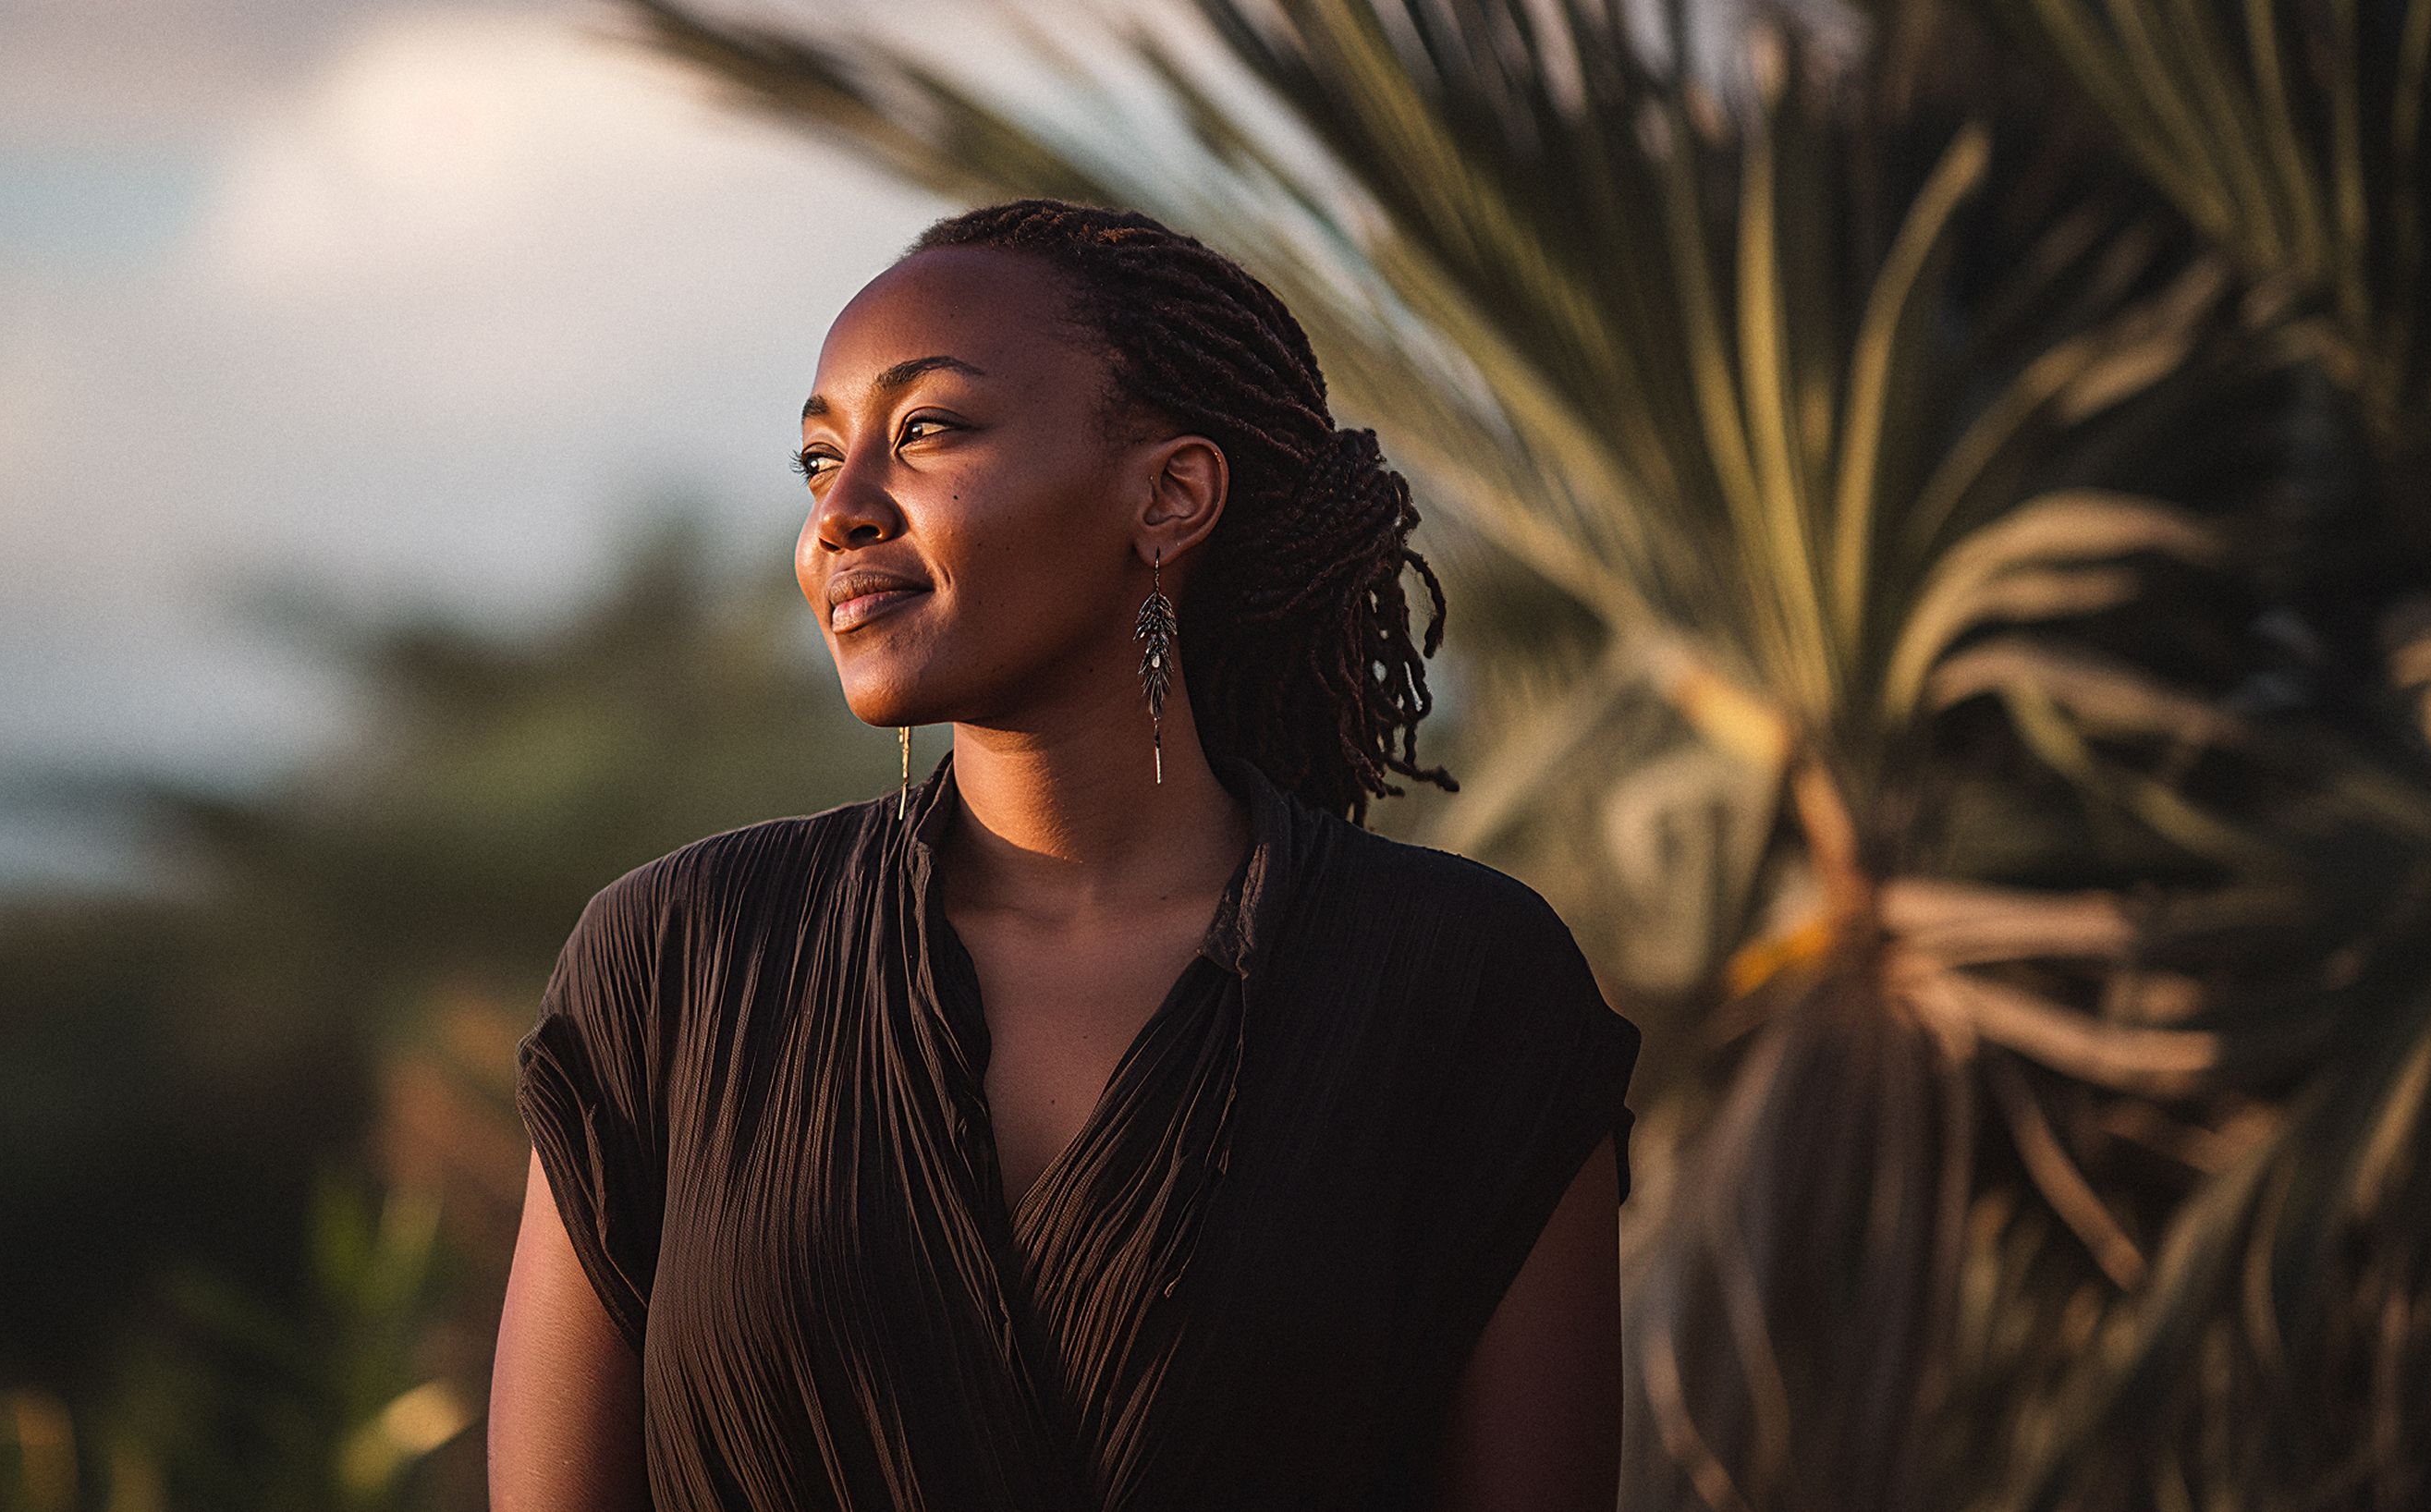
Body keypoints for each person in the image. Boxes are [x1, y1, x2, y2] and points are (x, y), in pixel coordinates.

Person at [485, 200, 1638, 1512]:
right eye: (817, 463)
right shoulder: (679, 964)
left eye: (926, 432)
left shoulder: (1459, 986)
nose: (842, 513)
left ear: (1169, 493)